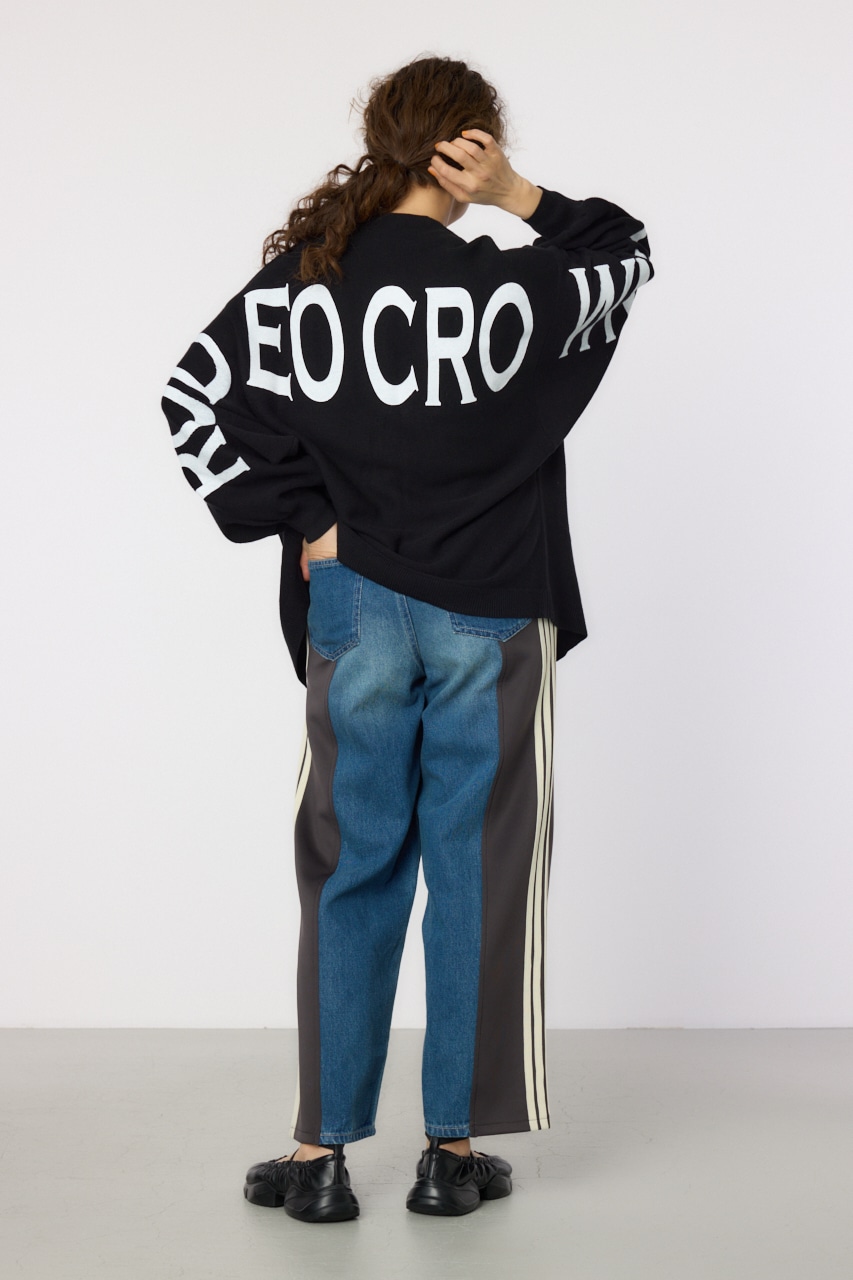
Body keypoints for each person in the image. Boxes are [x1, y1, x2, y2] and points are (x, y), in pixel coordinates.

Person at [160, 54, 654, 1223]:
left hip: (356, 603)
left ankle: (317, 1155)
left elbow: (190, 399)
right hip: (490, 601)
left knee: (350, 861)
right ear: (467, 146)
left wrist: (304, 516)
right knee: (477, 863)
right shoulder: (514, 290)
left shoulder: (304, 284)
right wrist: (516, 195)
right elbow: (624, 251)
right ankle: (449, 1150)